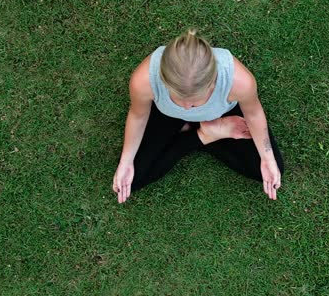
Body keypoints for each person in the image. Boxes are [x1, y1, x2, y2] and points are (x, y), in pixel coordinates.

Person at [112, 29, 285, 203]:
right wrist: (126, 161)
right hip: (168, 116)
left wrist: (267, 157)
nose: (187, 108)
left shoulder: (239, 81)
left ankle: (199, 130)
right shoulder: (143, 80)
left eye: (195, 100)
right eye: (178, 98)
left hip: (221, 112)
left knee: (268, 169)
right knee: (130, 180)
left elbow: (254, 114)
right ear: (163, 79)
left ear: (213, 82)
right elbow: (138, 116)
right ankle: (205, 134)